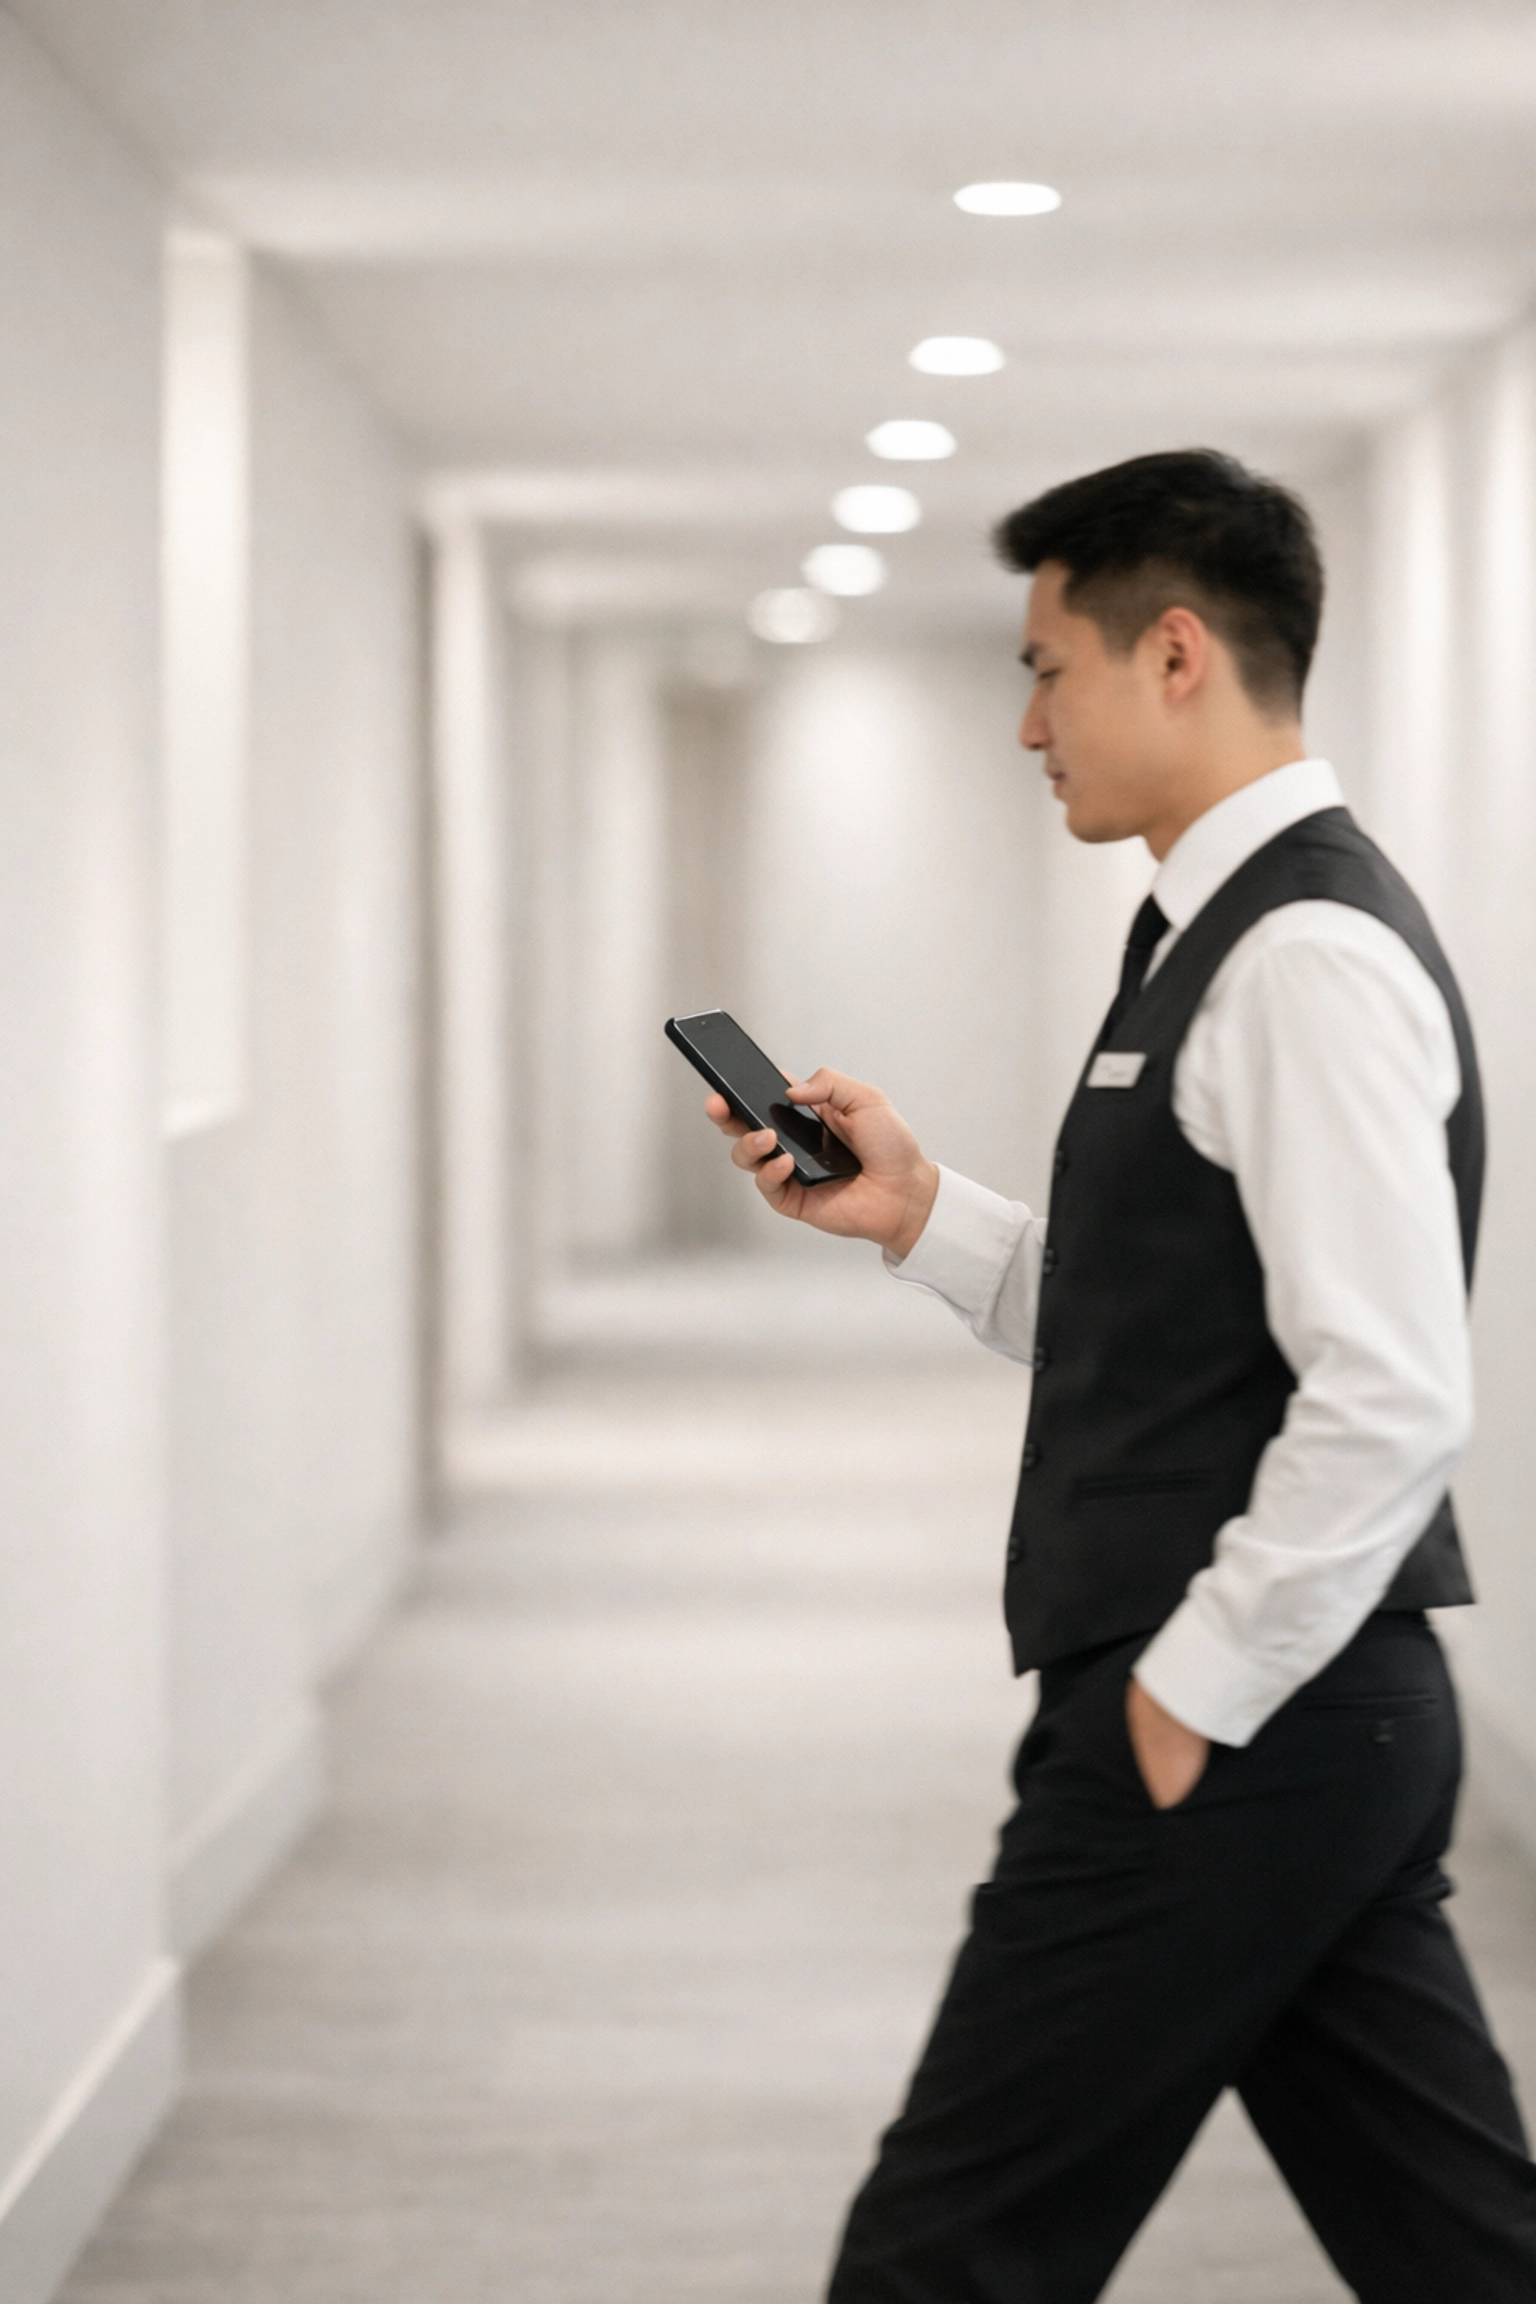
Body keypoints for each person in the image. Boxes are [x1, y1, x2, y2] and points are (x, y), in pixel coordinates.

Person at [703, 450, 1536, 2303]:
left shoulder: (1304, 953)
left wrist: (1191, 1693)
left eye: (1045, 669)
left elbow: (1390, 1392)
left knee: (947, 2250)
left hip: (1240, 1719)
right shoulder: (1216, 936)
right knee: (1461, 2248)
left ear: (1174, 656)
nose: (1026, 726)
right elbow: (1181, 1321)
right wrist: (922, 1214)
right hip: (1306, 1724)